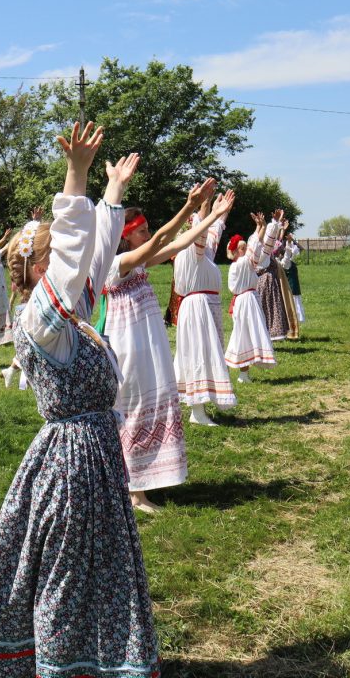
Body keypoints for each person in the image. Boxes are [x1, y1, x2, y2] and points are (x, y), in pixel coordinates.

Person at [0, 122, 159, 678]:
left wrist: (110, 196)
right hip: (70, 463)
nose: (75, 267)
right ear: (42, 268)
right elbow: (75, 258)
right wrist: (76, 176)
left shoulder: (72, 318)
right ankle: (59, 662)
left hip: (93, 457)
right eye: (59, 259)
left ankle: (94, 657)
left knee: (95, 566)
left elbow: (96, 256)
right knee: (65, 568)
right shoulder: (42, 318)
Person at [106, 175, 233, 512]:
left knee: (152, 404)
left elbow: (177, 244)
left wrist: (211, 217)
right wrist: (190, 206)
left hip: (147, 346)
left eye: (147, 229)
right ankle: (134, 492)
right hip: (130, 350)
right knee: (133, 410)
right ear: (125, 237)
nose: (148, 235)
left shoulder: (137, 262)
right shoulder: (116, 264)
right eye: (142, 231)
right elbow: (166, 236)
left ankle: (142, 486)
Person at [172, 193, 235, 426]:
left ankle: (207, 401)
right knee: (197, 354)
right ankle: (197, 411)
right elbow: (201, 231)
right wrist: (205, 209)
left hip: (205, 308)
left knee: (208, 353)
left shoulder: (203, 254)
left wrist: (221, 211)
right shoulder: (191, 253)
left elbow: (213, 232)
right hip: (198, 309)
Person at [225, 212, 283, 381]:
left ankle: (243, 373)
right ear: (235, 252)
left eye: (245, 247)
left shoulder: (245, 264)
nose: (245, 250)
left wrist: (263, 227)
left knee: (246, 335)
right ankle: (239, 371)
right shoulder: (240, 265)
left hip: (249, 300)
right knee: (243, 335)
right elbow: (255, 247)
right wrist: (263, 227)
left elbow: (261, 249)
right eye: (241, 248)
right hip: (245, 302)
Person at [280, 232, 305, 323]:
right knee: (292, 310)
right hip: (291, 291)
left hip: (294, 290)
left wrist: (292, 241)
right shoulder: (286, 263)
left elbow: (299, 250)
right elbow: (287, 255)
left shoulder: (291, 262)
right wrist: (289, 243)